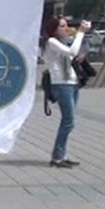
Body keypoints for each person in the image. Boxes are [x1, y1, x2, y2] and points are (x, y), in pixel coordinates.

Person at [41, 17, 89, 168]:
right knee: (69, 122)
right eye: (62, 26)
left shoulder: (62, 41)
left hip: (71, 83)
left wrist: (81, 36)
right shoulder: (51, 42)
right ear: (54, 29)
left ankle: (62, 154)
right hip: (62, 85)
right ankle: (56, 157)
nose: (66, 28)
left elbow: (78, 51)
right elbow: (72, 52)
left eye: (66, 25)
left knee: (67, 121)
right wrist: (80, 32)